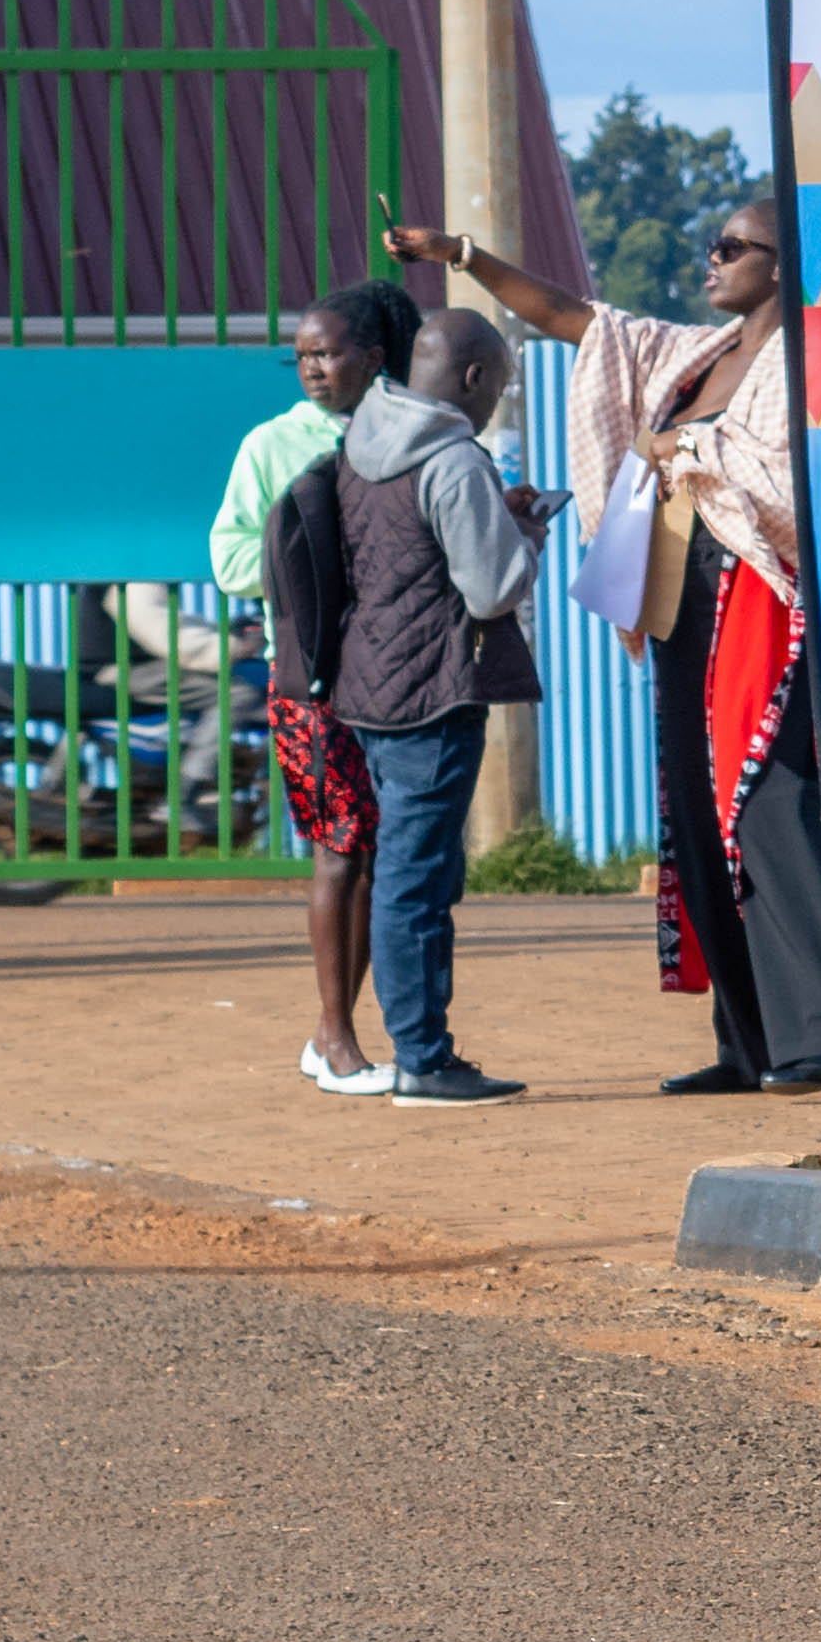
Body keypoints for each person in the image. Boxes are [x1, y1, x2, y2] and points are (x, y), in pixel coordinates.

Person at [393, 195, 821, 1094]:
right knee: (697, 813)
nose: (712, 257)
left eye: (733, 245)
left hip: (763, 596)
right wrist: (462, 255)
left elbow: (803, 481)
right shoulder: (695, 354)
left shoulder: (814, 361)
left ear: (783, 263)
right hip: (682, 596)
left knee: (767, 802)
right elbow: (578, 320)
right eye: (712, 242)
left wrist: (689, 449)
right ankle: (749, 1045)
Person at [284, 274, 543, 1112]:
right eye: (497, 386)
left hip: (369, 685)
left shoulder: (365, 436)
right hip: (433, 688)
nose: (496, 403)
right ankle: (425, 1058)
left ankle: (418, 1049)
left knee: (402, 867)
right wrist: (526, 534)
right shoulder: (453, 458)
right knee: (416, 878)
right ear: (472, 378)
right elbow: (491, 588)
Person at [217, 308, 379, 1091]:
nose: (314, 367)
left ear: (373, 356)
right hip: (310, 675)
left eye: (328, 353)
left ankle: (330, 1031)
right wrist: (309, 554)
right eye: (303, 356)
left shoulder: (399, 436)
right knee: (337, 847)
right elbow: (228, 558)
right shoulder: (270, 445)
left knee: (375, 853)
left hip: (388, 674)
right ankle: (337, 1039)